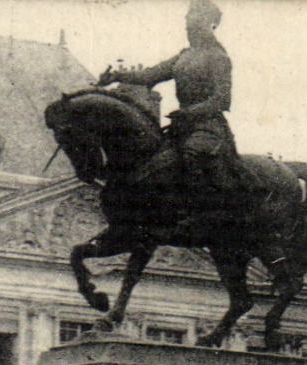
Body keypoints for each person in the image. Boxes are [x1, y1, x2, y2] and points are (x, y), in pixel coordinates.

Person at [97, 0, 244, 211]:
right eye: (187, 18)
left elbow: (222, 99)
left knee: (191, 154)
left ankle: (199, 213)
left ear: (209, 23)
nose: (187, 23)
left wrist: (189, 113)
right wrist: (116, 76)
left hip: (208, 127)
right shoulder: (183, 57)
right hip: (181, 126)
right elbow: (149, 75)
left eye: (194, 18)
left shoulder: (218, 57)